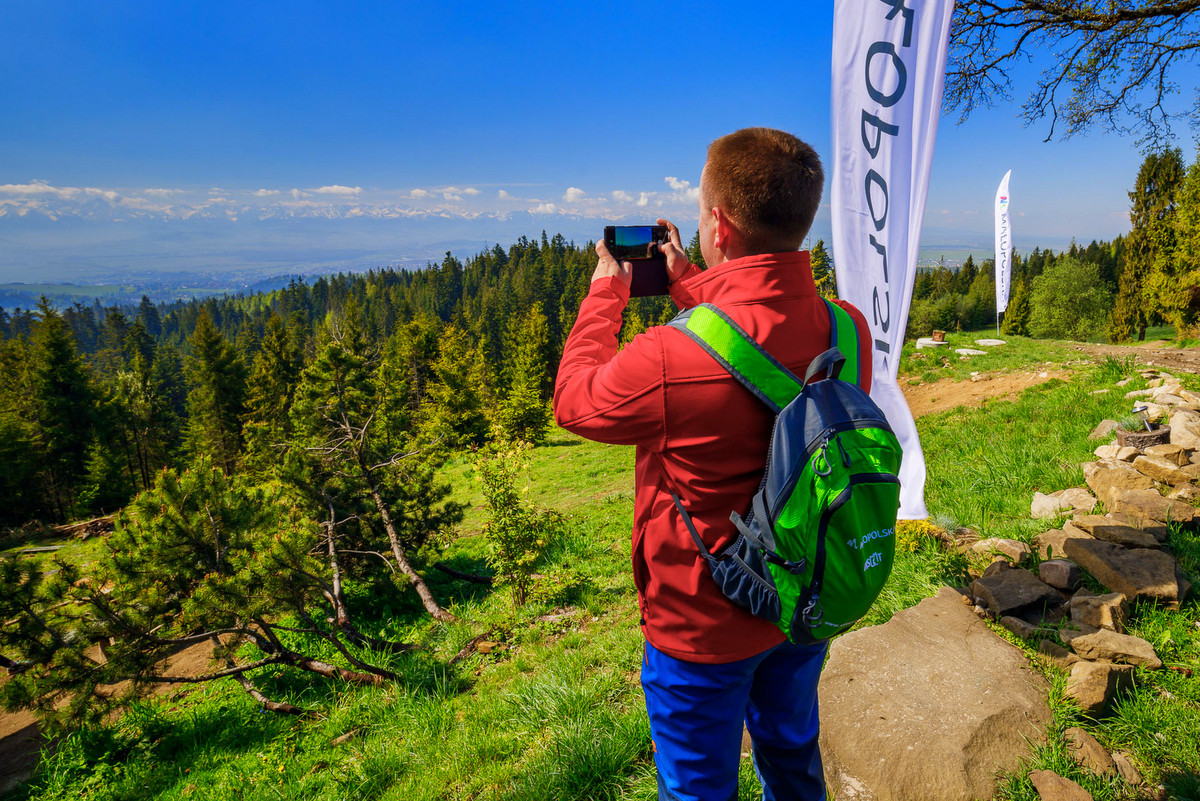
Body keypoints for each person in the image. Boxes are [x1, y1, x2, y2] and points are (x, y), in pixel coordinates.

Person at [553, 127, 874, 801]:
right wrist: (691, 283)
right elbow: (759, 345)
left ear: (719, 225)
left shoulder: (669, 357)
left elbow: (576, 402)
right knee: (790, 751)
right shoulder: (848, 331)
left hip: (701, 620)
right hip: (801, 596)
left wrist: (606, 290)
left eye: (702, 211)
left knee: (699, 788)